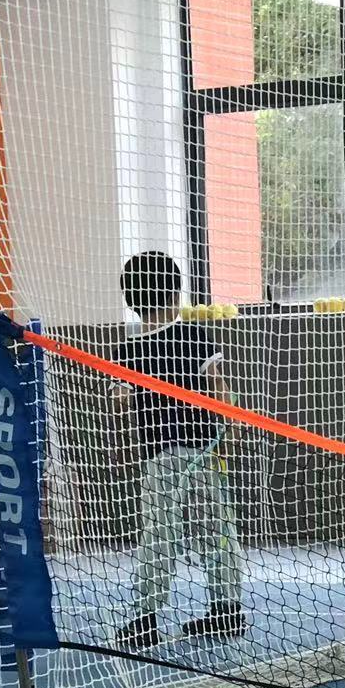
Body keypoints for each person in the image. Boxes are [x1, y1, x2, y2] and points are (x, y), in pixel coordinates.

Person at [113, 251, 245, 649]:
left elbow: (120, 401)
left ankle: (149, 617)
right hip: (193, 451)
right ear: (175, 292)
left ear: (131, 299)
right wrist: (232, 425)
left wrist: (124, 401)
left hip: (179, 455)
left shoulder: (132, 348)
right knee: (213, 532)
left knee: (164, 534)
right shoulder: (185, 337)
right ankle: (225, 609)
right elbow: (219, 386)